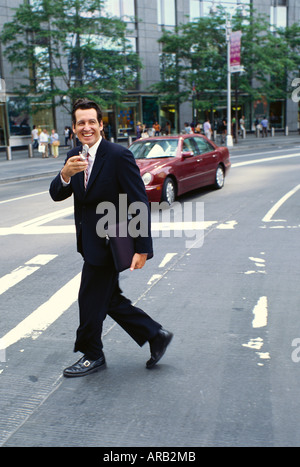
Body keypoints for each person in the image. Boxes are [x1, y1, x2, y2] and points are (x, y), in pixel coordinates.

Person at [49, 98, 173, 378]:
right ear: (74, 128)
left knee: (89, 301)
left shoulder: (118, 155)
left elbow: (138, 201)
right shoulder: (73, 157)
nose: (87, 127)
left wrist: (142, 248)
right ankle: (156, 335)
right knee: (109, 300)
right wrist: (65, 175)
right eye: (81, 122)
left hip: (110, 244)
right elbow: (57, 193)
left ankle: (92, 354)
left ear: (101, 125)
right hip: (88, 244)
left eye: (92, 121)